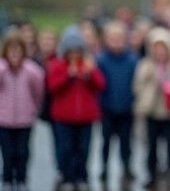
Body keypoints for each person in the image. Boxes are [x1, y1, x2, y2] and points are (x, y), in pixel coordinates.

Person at [46, 26, 106, 191]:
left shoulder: (88, 64)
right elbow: (52, 87)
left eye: (77, 51)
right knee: (66, 148)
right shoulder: (58, 65)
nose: (74, 55)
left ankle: (81, 176)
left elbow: (100, 85)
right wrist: (68, 75)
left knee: (84, 149)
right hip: (64, 117)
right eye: (71, 51)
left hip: (85, 117)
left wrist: (89, 75)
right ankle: (67, 176)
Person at [134, 27, 170, 188]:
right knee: (152, 146)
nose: (160, 52)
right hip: (152, 111)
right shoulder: (145, 65)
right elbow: (138, 87)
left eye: (163, 48)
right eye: (156, 49)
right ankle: (151, 173)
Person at [0, 32, 45, 191]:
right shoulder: (2, 69)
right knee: (7, 152)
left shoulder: (32, 71)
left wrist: (34, 108)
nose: (15, 55)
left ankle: (21, 178)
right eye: (11, 51)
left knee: (22, 152)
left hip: (25, 120)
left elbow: (38, 92)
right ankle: (7, 179)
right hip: (4, 120)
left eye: (18, 51)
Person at [96, 21, 139, 185]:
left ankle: (126, 167)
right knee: (106, 142)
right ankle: (104, 168)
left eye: (119, 38)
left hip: (127, 108)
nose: (116, 41)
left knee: (126, 142)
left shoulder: (132, 60)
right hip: (107, 108)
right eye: (112, 38)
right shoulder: (101, 60)